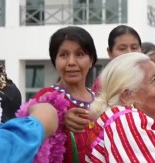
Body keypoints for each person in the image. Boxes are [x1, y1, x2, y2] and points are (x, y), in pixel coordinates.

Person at [17, 26, 98, 163]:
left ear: (91, 60)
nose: (71, 62)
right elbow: (31, 132)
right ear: (55, 61)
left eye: (79, 54)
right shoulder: (47, 98)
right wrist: (59, 120)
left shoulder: (100, 100)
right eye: (63, 55)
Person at [92, 25, 142, 95]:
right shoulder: (103, 83)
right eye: (122, 49)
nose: (129, 53)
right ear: (110, 52)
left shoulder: (150, 77)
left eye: (134, 48)